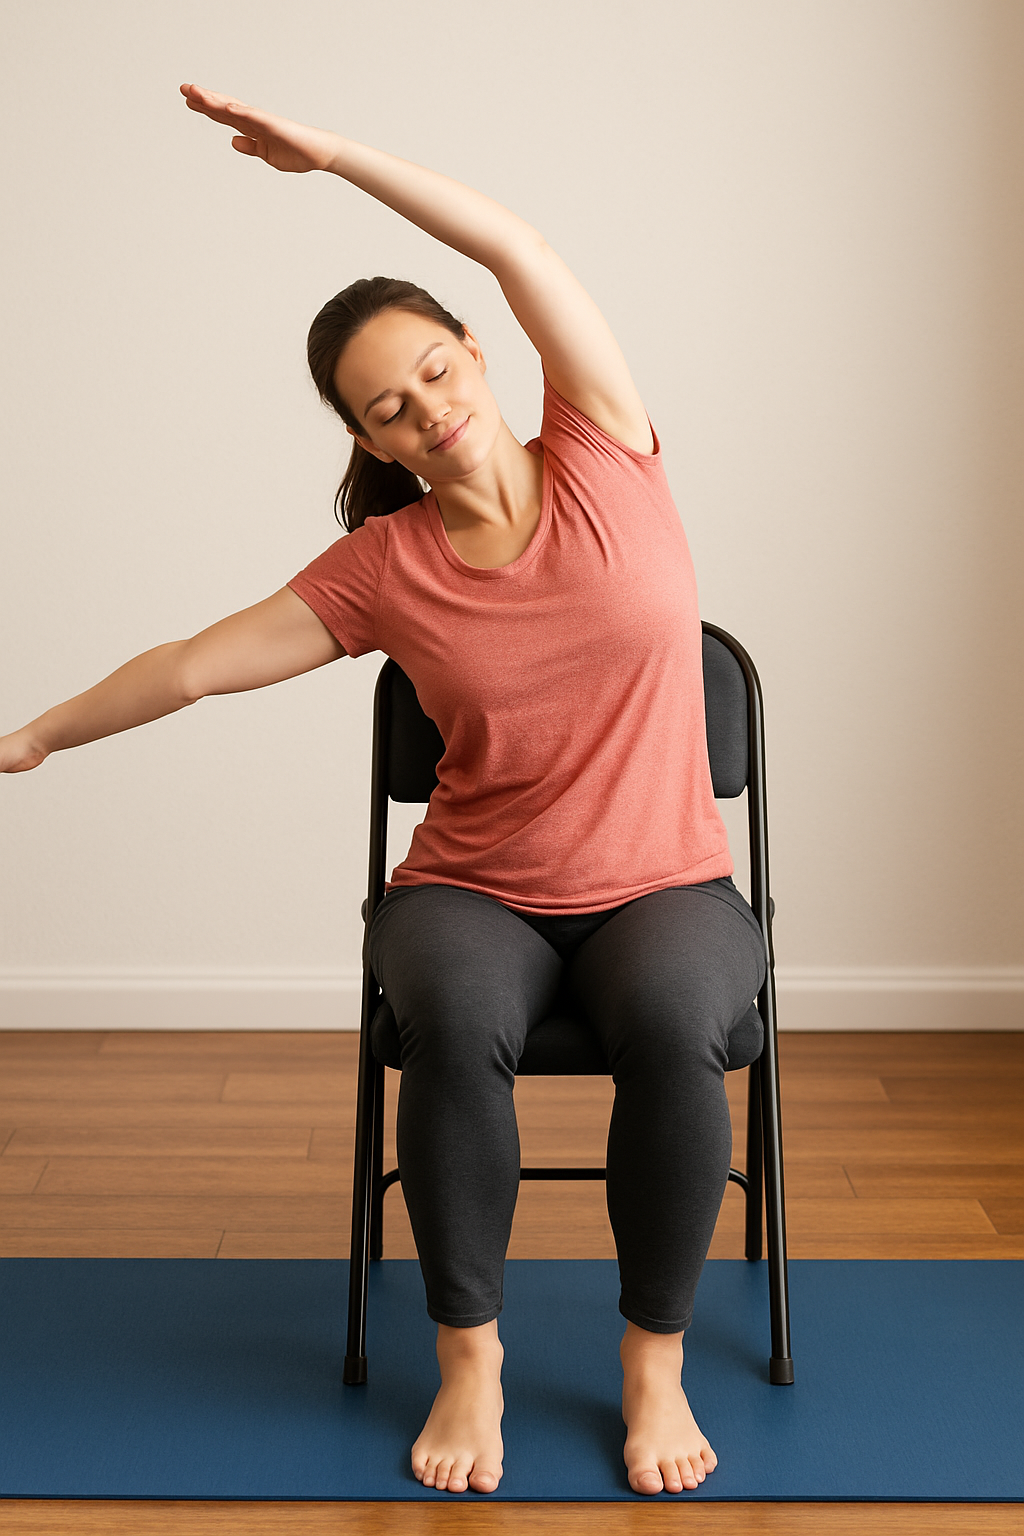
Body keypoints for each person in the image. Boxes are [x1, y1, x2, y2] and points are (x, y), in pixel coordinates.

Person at [0, 83, 767, 1498]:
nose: (426, 408)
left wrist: (336, 155)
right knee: (457, 1009)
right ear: (374, 440)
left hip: (667, 883)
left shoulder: (605, 445)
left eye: (435, 369)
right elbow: (192, 666)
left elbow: (523, 249)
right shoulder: (382, 571)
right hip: (473, 893)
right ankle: (467, 1359)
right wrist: (37, 734)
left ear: (479, 353)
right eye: (386, 408)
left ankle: (650, 1364)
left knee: (671, 1021)